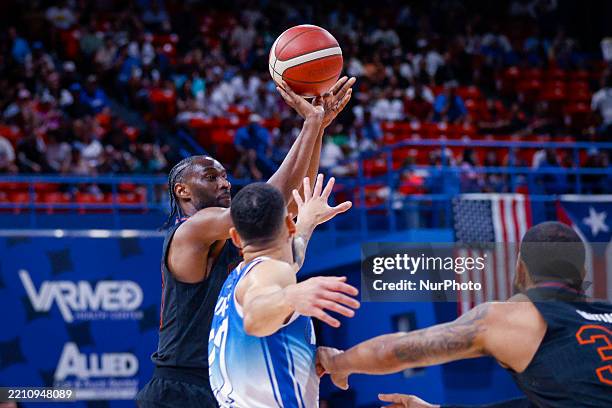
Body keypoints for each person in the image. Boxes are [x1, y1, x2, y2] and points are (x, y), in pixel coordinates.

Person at [135, 76, 355, 408]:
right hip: (179, 385)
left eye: (225, 176)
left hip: (220, 380)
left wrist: (318, 128)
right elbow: (270, 203)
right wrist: (310, 124)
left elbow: (286, 206)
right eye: (211, 177)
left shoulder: (234, 234)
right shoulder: (192, 229)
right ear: (182, 190)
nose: (224, 183)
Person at [317, 222, 612, 408]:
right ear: (583, 273)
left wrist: (339, 363)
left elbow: (394, 351)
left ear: (520, 268)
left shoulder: (516, 318)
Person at [209, 175, 359, 407]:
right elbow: (255, 317)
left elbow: (289, 260)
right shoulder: (271, 272)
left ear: (236, 238)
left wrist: (307, 221)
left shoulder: (239, 278)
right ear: (289, 224)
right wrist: (291, 296)